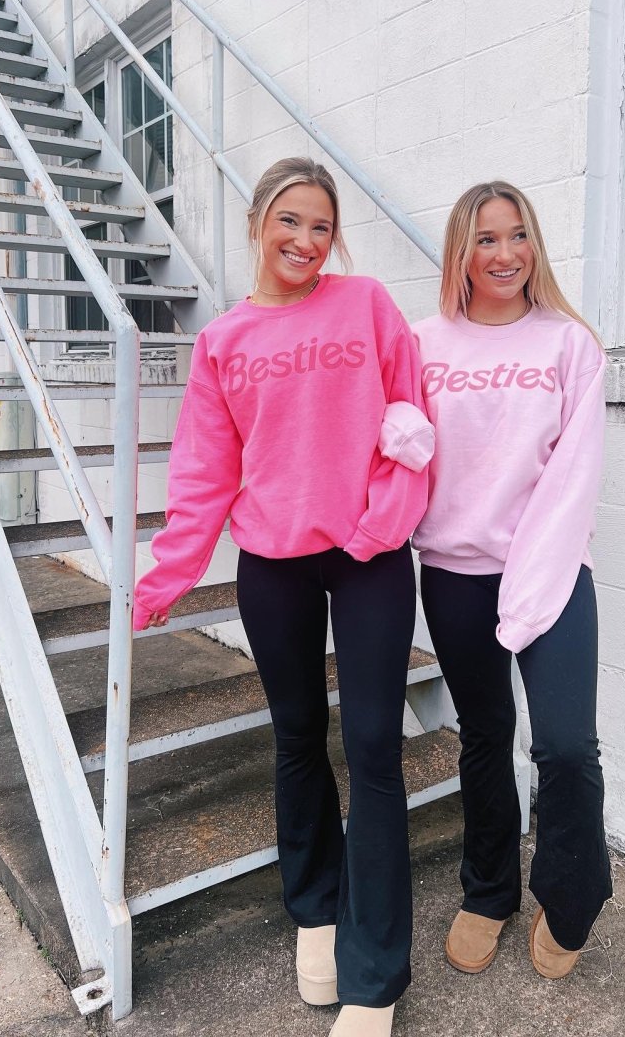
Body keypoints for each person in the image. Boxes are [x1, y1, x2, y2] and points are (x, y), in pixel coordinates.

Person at [133, 157, 431, 1037]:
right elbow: (203, 471)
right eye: (290, 221)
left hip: (369, 556)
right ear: (259, 222)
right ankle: (315, 909)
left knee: (373, 749)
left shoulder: (366, 304)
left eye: (322, 226)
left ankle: (375, 977)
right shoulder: (223, 341)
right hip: (273, 563)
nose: (306, 241)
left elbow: (412, 425)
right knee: (298, 738)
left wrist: (381, 526)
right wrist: (166, 577)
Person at [410, 180, 613, 980]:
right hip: (454, 571)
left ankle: (570, 895)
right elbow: (400, 448)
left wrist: (533, 573)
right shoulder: (423, 343)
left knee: (565, 745)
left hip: (552, 565)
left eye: (518, 234)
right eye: (487, 239)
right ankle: (488, 890)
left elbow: (575, 473)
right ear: (461, 252)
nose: (505, 254)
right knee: (485, 734)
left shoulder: (569, 344)